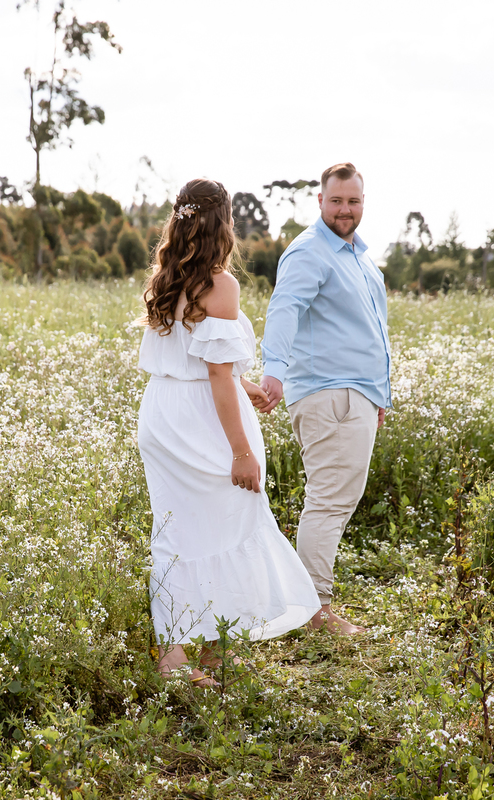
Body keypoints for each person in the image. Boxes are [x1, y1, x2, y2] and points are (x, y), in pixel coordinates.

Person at [137, 178, 321, 688]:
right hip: (200, 422)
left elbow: (204, 364)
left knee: (177, 531)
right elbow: (214, 374)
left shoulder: (164, 278)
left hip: (163, 412)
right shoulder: (221, 284)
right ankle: (195, 654)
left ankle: (190, 652)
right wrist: (242, 450)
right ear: (224, 223)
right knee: (231, 523)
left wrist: (244, 384)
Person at [257, 162, 392, 636]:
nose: (345, 209)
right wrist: (273, 371)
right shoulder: (310, 251)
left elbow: (367, 331)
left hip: (355, 396)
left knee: (337, 499)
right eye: (336, 201)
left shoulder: (359, 256)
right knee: (329, 502)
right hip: (328, 394)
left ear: (362, 203)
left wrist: (376, 396)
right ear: (320, 201)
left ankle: (311, 604)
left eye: (353, 201)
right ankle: (314, 612)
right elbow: (285, 308)